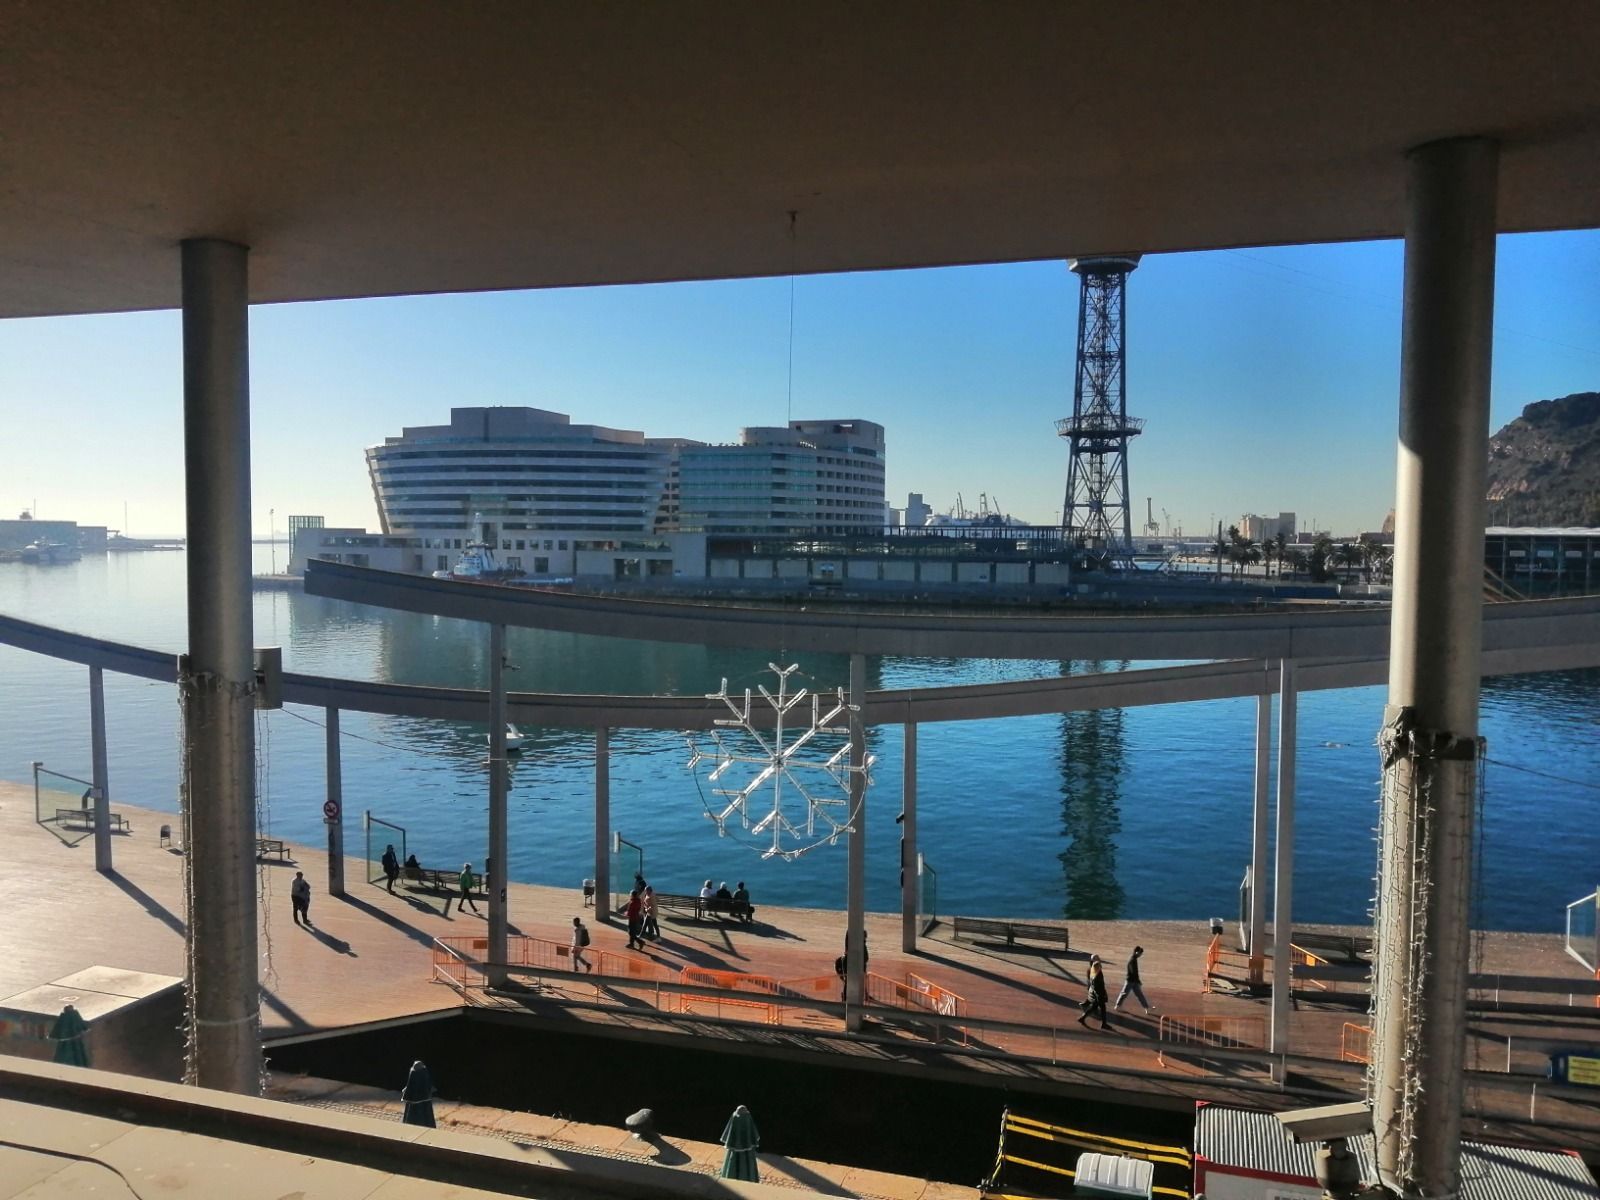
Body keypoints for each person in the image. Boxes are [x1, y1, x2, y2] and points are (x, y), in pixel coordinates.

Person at [1115, 945, 1156, 1015]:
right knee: (1125, 993)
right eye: (1140, 953)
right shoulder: (1132, 960)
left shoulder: (1134, 959)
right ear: (1136, 952)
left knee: (1139, 994)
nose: (1140, 955)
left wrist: (1137, 981)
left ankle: (1146, 1007)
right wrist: (1138, 981)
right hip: (1130, 981)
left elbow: (1134, 972)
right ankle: (1118, 1006)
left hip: (1133, 981)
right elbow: (1133, 972)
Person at [1078, 954, 1111, 1030]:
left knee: (1094, 1007)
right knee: (1102, 1008)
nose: (1100, 965)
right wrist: (1101, 995)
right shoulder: (1096, 973)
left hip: (1094, 993)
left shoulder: (1093, 969)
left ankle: (1082, 1018)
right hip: (1098, 994)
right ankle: (1104, 1024)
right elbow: (1098, 986)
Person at [401, 1060, 436, 1127]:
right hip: (422, 1098)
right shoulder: (423, 1072)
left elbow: (410, 1084)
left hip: (414, 1098)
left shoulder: (414, 1072)